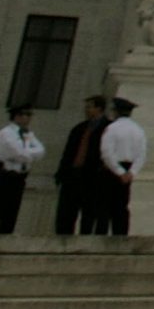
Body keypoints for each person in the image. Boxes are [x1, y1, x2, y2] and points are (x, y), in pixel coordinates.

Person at [0, 104, 46, 234]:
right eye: (27, 115)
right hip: (4, 175)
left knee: (11, 213)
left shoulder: (28, 134)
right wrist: (29, 154)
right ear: (17, 116)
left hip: (19, 177)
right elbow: (17, 152)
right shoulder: (6, 133)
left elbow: (40, 151)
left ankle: (3, 239)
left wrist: (27, 155)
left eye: (30, 115)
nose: (29, 118)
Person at [51, 96, 111, 236]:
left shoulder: (108, 128)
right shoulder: (79, 128)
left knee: (89, 213)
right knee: (66, 211)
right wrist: (62, 173)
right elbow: (68, 153)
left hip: (92, 176)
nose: (86, 109)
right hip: (73, 175)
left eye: (90, 106)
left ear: (99, 108)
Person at [98, 98, 147, 236]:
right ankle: (120, 234)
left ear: (116, 112)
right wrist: (131, 172)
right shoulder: (138, 130)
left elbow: (107, 153)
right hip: (129, 168)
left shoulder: (112, 128)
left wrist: (119, 171)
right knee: (121, 205)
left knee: (105, 204)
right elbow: (141, 154)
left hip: (112, 169)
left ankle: (102, 234)